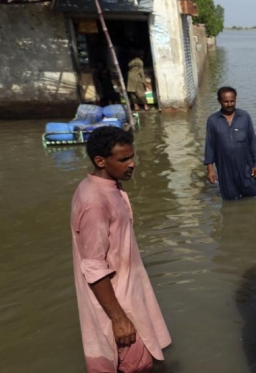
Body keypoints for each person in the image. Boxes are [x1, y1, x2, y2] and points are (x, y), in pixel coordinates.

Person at [70, 126, 171, 372]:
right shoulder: (95, 202)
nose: (132, 164)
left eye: (131, 157)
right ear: (101, 161)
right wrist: (119, 319)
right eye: (123, 159)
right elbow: (93, 266)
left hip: (129, 295)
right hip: (119, 304)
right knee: (135, 365)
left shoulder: (110, 186)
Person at [203, 86, 256, 200]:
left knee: (254, 199)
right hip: (225, 170)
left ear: (236, 100)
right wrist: (210, 169)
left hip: (246, 168)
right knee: (230, 201)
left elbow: (253, 141)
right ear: (219, 101)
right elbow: (210, 146)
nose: (229, 104)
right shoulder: (213, 120)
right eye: (226, 101)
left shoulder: (244, 117)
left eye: (232, 101)